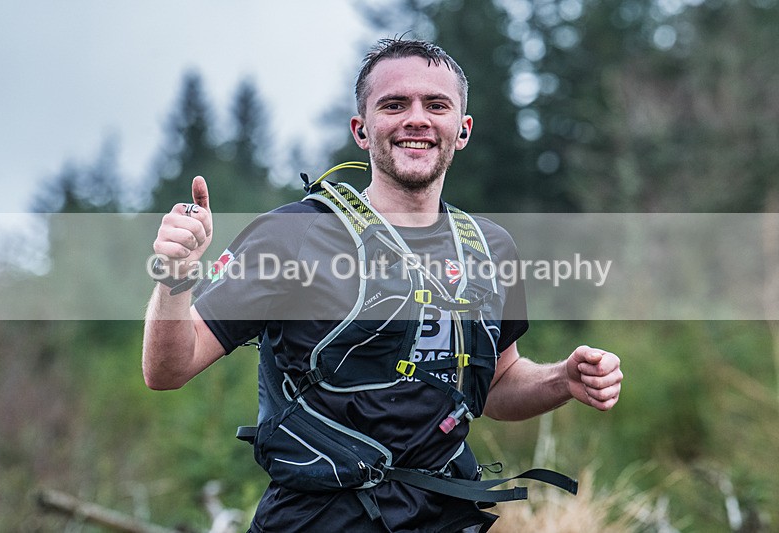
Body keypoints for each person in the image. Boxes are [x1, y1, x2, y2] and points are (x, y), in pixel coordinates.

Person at [143, 38, 623, 533]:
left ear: (462, 129)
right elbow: (168, 369)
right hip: (315, 521)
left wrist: (562, 380)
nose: (417, 119)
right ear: (362, 130)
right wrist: (174, 275)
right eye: (394, 105)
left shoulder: (489, 248)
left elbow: (497, 385)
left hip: (446, 519)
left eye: (436, 105)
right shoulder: (292, 235)